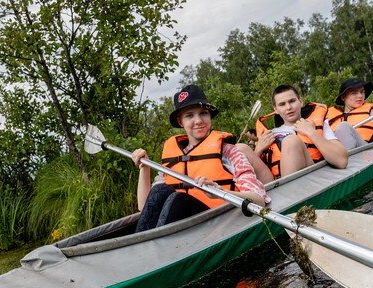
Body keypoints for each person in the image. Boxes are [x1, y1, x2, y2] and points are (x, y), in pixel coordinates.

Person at [131, 85, 268, 231]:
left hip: (220, 222)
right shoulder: (173, 155)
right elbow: (144, 206)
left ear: (209, 115)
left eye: (203, 113)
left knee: (177, 199)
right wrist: (144, 167)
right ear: (180, 121)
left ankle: (152, 248)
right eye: (189, 115)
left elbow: (259, 200)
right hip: (184, 227)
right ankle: (146, 247)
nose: (198, 121)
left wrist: (220, 192)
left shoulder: (228, 152)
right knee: (161, 190)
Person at [237, 84, 348, 183]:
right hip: (274, 182)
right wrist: (258, 150)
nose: (288, 107)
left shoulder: (316, 125)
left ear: (300, 102)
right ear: (275, 109)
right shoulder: (269, 134)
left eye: (292, 101)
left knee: (291, 141)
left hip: (310, 178)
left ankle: (287, 196)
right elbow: (253, 170)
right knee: (240, 148)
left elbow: (342, 161)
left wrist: (311, 132)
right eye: (282, 104)